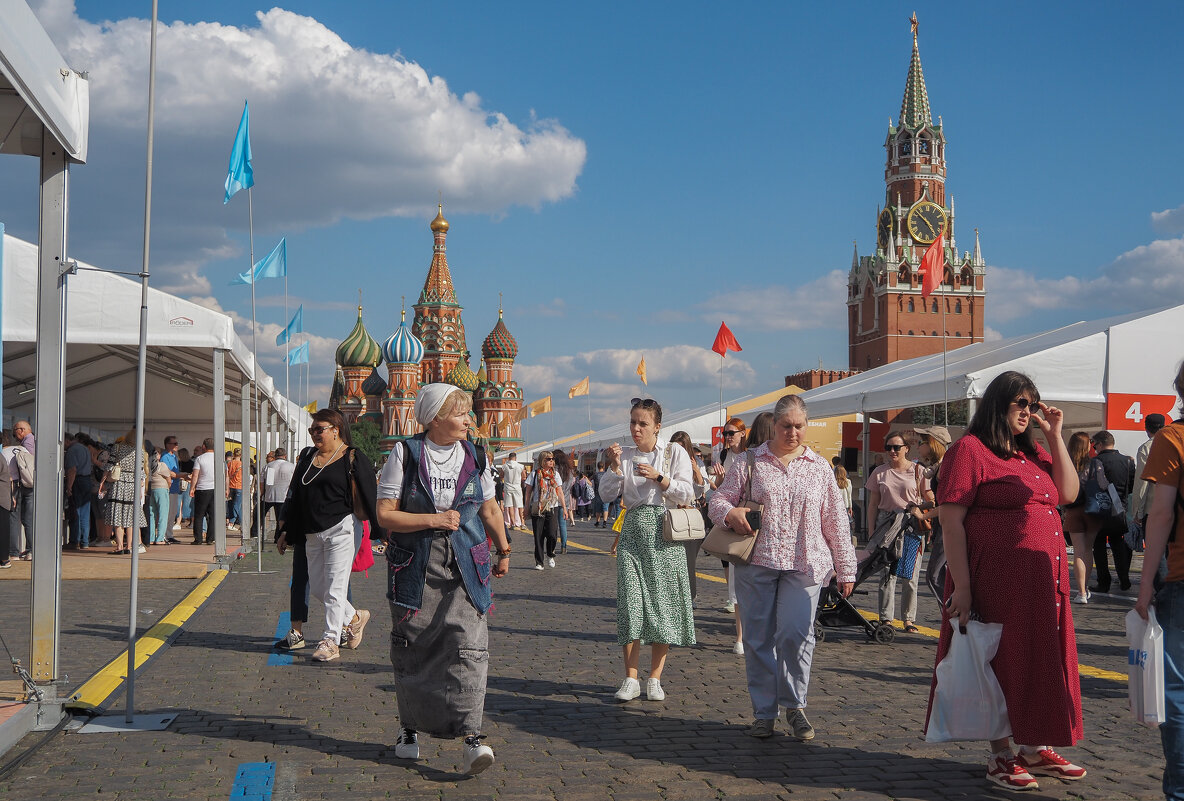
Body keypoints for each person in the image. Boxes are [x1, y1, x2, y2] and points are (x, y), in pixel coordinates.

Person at [928, 370, 1085, 791]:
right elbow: (951, 522)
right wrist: (961, 586)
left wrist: (1055, 434)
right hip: (995, 579)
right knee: (995, 661)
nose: (1028, 412)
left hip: (1042, 581)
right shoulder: (970, 450)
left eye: (1032, 405)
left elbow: (1067, 493)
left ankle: (1034, 746)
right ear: (999, 403)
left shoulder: (1032, 454)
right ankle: (1001, 754)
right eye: (1021, 403)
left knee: (1039, 659)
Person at [376, 383, 512, 775]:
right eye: (460, 413)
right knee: (413, 644)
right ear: (435, 418)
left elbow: (488, 507)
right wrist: (432, 520)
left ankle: (473, 738)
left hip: (467, 562)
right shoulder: (405, 453)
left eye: (468, 412)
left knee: (468, 643)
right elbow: (385, 514)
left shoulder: (475, 454)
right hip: (415, 562)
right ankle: (409, 728)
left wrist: (503, 549)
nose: (469, 419)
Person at [710, 394, 856, 739]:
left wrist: (846, 567)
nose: (793, 432)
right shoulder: (750, 461)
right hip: (757, 560)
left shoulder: (819, 467)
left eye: (799, 426)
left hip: (805, 562)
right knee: (759, 638)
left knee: (796, 634)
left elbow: (835, 519)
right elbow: (718, 499)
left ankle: (794, 704)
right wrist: (729, 513)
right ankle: (764, 711)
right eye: (786, 425)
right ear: (774, 425)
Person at [599, 397, 695, 703]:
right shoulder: (624, 455)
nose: (636, 428)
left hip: (664, 532)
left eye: (643, 423)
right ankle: (630, 677)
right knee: (631, 602)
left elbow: (689, 492)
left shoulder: (673, 451)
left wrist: (660, 477)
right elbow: (605, 494)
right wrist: (614, 468)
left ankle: (654, 677)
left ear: (657, 426)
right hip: (632, 534)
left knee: (662, 604)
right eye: (633, 422)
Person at [276, 409, 375, 663]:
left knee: (334, 587)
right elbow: (295, 493)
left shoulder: (351, 456)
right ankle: (354, 617)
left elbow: (370, 494)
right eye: (312, 430)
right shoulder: (308, 456)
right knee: (319, 587)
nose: (315, 434)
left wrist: (382, 530)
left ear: (336, 429)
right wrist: (285, 528)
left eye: (319, 429)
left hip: (342, 528)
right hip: (311, 532)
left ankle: (330, 639)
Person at [1133, 362, 1184, 801]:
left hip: (1183, 576)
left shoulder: (1173, 437)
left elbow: (1162, 513)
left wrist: (1146, 584)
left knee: (1180, 691)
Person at [867, 431, 924, 632]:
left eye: (896, 447)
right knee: (886, 571)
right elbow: (873, 504)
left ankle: (908, 619)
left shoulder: (918, 471)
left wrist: (922, 513)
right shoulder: (879, 472)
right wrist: (872, 530)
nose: (892, 451)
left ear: (906, 449)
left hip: (910, 525)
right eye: (888, 447)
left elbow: (929, 498)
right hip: (886, 524)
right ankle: (886, 618)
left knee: (910, 573)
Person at [1089, 430, 1134, 593]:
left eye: (1094, 445)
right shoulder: (1127, 462)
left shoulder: (1095, 462)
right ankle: (1124, 579)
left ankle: (1104, 582)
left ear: (1099, 444)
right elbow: (1131, 486)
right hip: (1119, 510)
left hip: (1099, 511)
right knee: (1118, 544)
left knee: (1099, 547)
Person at [670, 431, 707, 604]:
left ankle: (689, 596)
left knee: (688, 561)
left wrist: (696, 470)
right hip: (672, 515)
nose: (679, 451)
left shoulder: (696, 463)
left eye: (682, 448)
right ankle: (674, 596)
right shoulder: (667, 463)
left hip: (691, 517)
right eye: (675, 447)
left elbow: (701, 490)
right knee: (673, 560)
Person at [99, 430, 148, 554]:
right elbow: (141, 473)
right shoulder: (140, 451)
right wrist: (141, 489)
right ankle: (129, 546)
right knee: (130, 517)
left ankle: (119, 546)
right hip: (133, 484)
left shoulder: (117, 447)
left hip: (119, 483)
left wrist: (102, 482)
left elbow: (109, 466)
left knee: (117, 516)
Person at [1063, 432, 1093, 603]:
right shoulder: (1094, 464)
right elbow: (1104, 485)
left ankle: (1081, 592)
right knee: (1088, 550)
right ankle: (1086, 587)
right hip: (1093, 511)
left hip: (1073, 510)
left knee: (1078, 551)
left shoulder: (1066, 463)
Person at [524, 451, 565, 569]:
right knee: (538, 535)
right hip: (539, 507)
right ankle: (539, 562)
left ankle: (550, 554)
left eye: (552, 459)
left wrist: (565, 508)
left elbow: (560, 492)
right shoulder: (534, 474)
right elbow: (528, 493)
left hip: (552, 506)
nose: (551, 461)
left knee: (552, 534)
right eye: (548, 459)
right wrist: (526, 507)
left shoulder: (555, 475)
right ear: (542, 461)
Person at [1131, 413, 1167, 534]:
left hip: (1153, 508)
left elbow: (1142, 482)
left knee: (1156, 550)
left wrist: (1137, 512)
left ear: (1146, 428)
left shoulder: (1146, 448)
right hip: (1174, 507)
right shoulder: (1176, 445)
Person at [64, 432, 94, 550]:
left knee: (75, 512)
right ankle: (84, 541)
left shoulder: (72, 450)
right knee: (85, 513)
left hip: (77, 481)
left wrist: (69, 486)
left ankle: (74, 541)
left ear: (67, 440)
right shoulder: (85, 448)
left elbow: (72, 470)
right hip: (87, 481)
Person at [189, 439, 220, 545]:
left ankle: (198, 539)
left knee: (199, 515)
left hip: (202, 488)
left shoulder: (199, 459)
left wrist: (192, 487)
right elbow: (225, 474)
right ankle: (210, 538)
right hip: (215, 488)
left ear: (204, 446)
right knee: (213, 515)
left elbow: (195, 474)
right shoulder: (219, 458)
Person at [10, 420, 34, 559]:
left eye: (15, 433)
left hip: (23, 484)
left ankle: (15, 551)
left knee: (15, 516)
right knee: (28, 518)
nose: (15, 436)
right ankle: (30, 549)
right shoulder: (33, 439)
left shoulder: (28, 442)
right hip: (31, 484)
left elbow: (27, 463)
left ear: (21, 430)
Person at [262, 447, 295, 535]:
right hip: (283, 496)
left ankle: (255, 533)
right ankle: (278, 537)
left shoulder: (268, 466)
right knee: (280, 519)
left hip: (269, 495)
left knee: (259, 514)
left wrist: (262, 493)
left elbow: (263, 482)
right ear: (285, 456)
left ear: (275, 456)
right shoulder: (291, 466)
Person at [147, 444, 175, 545]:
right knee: (163, 514)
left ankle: (150, 537)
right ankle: (160, 538)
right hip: (162, 490)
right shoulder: (162, 465)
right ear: (157, 455)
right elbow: (169, 479)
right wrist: (168, 487)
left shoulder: (148, 465)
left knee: (152, 514)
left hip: (151, 489)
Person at [554, 449, 576, 554]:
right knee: (563, 525)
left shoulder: (554, 470)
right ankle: (564, 546)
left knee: (553, 526)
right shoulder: (570, 471)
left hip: (554, 501)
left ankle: (552, 546)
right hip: (566, 500)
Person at [500, 452, 525, 531]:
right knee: (520, 505)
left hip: (508, 487)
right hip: (517, 487)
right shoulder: (520, 466)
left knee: (510, 505)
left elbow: (501, 475)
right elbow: (524, 476)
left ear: (509, 458)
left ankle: (513, 523)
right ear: (515, 458)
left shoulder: (504, 466)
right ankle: (522, 523)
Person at [226, 448, 243, 532]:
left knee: (232, 505)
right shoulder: (242, 464)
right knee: (237, 505)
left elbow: (227, 474)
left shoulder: (230, 463)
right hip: (239, 486)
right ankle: (232, 522)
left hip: (231, 486)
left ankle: (240, 523)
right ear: (241, 455)